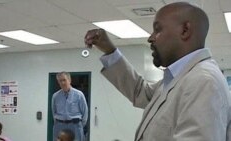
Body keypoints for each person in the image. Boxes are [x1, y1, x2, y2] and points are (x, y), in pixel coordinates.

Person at [84, 2, 231, 141]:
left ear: (185, 30)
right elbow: (140, 92)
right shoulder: (181, 78)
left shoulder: (203, 81)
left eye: (158, 29)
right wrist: (110, 51)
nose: (151, 38)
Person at [52, 71, 88, 141]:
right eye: (60, 81)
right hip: (59, 126)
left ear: (69, 80)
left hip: (75, 126)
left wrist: (79, 125)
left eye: (64, 80)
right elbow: (54, 112)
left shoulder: (79, 95)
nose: (62, 83)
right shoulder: (55, 96)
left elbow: (85, 113)